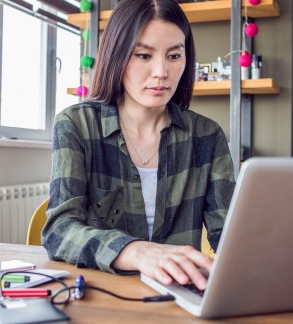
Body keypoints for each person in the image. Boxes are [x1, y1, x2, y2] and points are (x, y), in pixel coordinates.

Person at [42, 0, 235, 290]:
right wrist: (133, 250)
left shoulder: (207, 135)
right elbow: (59, 231)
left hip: (180, 296)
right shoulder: (77, 125)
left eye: (174, 56)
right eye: (144, 55)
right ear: (116, 56)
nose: (161, 71)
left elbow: (230, 238)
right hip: (104, 294)